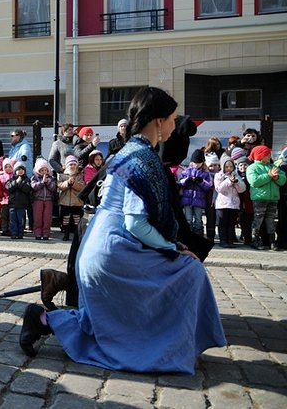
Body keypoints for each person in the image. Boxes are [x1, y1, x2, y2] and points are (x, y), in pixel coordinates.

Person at [20, 87, 226, 375]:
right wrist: (173, 247)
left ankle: (44, 320)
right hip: (112, 251)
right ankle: (166, 346)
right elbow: (135, 223)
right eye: (171, 119)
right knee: (190, 272)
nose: (173, 125)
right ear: (157, 121)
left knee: (111, 318)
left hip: (101, 245)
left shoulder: (132, 151)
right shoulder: (141, 158)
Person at [246, 145, 286, 250]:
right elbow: (254, 181)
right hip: (259, 198)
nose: (269, 156)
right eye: (267, 154)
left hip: (273, 198)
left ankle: (272, 241)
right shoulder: (252, 168)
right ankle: (255, 240)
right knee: (258, 219)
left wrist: (277, 177)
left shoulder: (272, 166)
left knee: (271, 220)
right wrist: (269, 176)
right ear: (261, 155)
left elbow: (283, 180)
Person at [214, 155, 246, 248]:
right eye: (227, 166)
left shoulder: (236, 175)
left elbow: (242, 189)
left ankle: (230, 240)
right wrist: (228, 181)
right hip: (222, 204)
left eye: (231, 166)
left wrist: (236, 182)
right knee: (223, 223)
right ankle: (223, 240)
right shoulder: (218, 175)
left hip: (233, 204)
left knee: (231, 223)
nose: (229, 168)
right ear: (223, 166)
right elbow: (219, 188)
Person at [179, 150, 212, 236]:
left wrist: (201, 181)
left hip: (199, 200)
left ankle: (198, 233)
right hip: (187, 199)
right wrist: (188, 180)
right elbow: (180, 182)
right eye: (195, 162)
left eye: (199, 163)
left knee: (198, 218)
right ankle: (188, 233)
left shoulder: (205, 174)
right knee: (188, 218)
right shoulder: (186, 171)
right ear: (191, 162)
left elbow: (208, 186)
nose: (196, 164)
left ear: (202, 162)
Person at [57, 155, 85, 241]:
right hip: (65, 201)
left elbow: (82, 187)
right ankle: (66, 234)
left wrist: (74, 183)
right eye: (70, 164)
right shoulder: (62, 175)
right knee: (66, 219)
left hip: (77, 201)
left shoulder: (80, 175)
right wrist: (67, 183)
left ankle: (77, 235)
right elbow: (59, 186)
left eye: (74, 164)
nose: (72, 166)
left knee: (77, 219)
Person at [5, 161, 32, 239]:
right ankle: (13, 233)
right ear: (15, 171)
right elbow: (8, 187)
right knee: (13, 220)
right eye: (18, 169)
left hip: (22, 205)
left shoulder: (27, 180)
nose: (20, 171)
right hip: (12, 204)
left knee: (21, 220)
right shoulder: (11, 179)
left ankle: (20, 234)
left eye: (22, 169)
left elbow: (27, 189)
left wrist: (20, 183)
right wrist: (16, 182)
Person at [31, 158, 56, 240]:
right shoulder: (35, 178)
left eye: (45, 170)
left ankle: (46, 233)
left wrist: (47, 182)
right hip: (38, 200)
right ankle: (37, 233)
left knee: (47, 218)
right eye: (42, 170)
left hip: (48, 200)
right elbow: (34, 187)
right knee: (37, 218)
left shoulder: (51, 178)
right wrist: (42, 182)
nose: (44, 172)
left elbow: (53, 188)